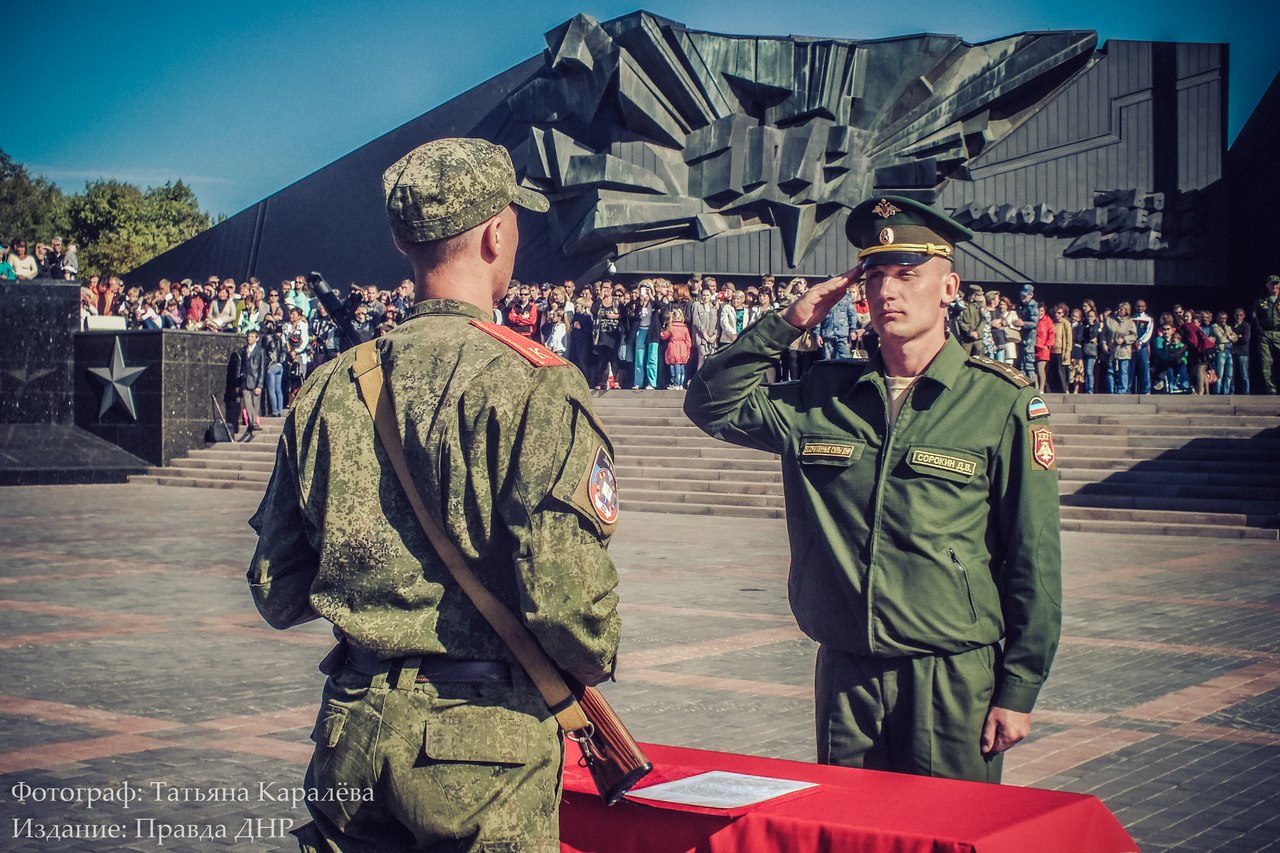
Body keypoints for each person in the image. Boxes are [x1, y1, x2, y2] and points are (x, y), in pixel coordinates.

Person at [248, 138, 622, 852]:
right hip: (485, 747)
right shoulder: (532, 382)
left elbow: (277, 589)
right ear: (496, 234)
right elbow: (570, 607)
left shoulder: (328, 387)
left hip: (351, 732)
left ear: (401, 241)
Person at [684, 195, 1061, 783]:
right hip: (848, 671)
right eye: (875, 276)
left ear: (949, 287)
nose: (887, 291)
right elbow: (711, 404)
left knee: (945, 826)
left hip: (951, 673)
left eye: (907, 275)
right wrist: (788, 322)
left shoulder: (1000, 402)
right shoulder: (823, 397)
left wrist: (1019, 686)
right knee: (851, 824)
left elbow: (1032, 556)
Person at [238, 329, 267, 438]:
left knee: (255, 404)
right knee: (247, 403)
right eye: (248, 336)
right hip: (245, 381)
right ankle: (253, 423)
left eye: (251, 337)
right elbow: (240, 366)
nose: (249, 338)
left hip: (255, 380)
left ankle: (252, 424)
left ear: (256, 338)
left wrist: (259, 385)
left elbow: (262, 369)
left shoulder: (261, 351)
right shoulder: (243, 350)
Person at [1255, 275, 1280, 394]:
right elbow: (1255, 316)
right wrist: (1260, 329)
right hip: (1265, 333)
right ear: (1267, 285)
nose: (1274, 286)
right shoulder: (1261, 300)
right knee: (1266, 361)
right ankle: (1270, 388)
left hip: (1279, 332)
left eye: (1276, 283)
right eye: (1272, 284)